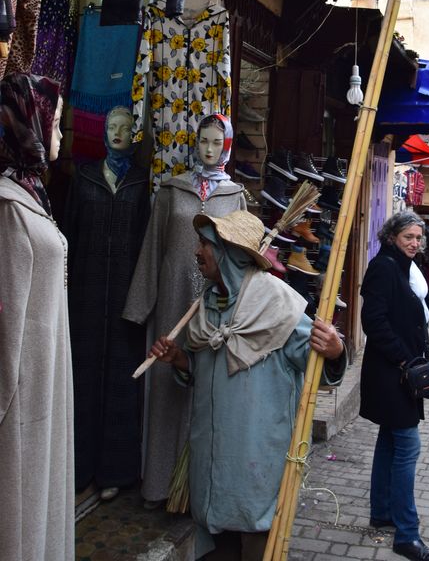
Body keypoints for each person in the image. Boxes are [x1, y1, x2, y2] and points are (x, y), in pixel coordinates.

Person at [149, 209, 345, 560]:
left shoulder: (277, 304)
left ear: (230, 252)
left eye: (205, 244)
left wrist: (334, 351)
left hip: (257, 459)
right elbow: (204, 370)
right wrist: (180, 359)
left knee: (256, 542)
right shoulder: (207, 306)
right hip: (211, 457)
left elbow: (318, 367)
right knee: (216, 546)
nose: (196, 252)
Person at [123, 113, 246, 506]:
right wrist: (139, 305)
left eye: (216, 142)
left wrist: (238, 304)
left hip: (213, 305)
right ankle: (160, 485)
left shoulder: (235, 197)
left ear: (227, 146)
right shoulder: (172, 191)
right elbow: (153, 248)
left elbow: (241, 258)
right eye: (203, 140)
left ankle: (197, 492)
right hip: (173, 298)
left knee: (206, 385)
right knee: (166, 382)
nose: (209, 149)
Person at [0, 73, 74, 560]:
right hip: (21, 394)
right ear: (31, 122)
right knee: (24, 509)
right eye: (56, 123)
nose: (60, 134)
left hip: (45, 379)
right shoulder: (7, 206)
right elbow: (6, 312)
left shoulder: (32, 194)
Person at [64, 106, 151, 499]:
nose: (118, 133)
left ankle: (115, 472)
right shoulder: (83, 179)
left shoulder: (141, 184)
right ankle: (79, 468)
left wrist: (141, 300)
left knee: (121, 383)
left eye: (125, 128)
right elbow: (68, 237)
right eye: (112, 127)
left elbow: (145, 245)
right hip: (85, 297)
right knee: (82, 382)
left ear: (134, 134)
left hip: (123, 301)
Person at [359, 211, 429, 561]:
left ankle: (382, 512)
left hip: (397, 372)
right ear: (392, 236)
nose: (415, 243)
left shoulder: (404, 267)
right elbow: (373, 321)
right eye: (409, 236)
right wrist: (406, 359)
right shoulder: (384, 267)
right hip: (391, 373)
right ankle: (407, 534)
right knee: (407, 446)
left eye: (419, 238)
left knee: (390, 442)